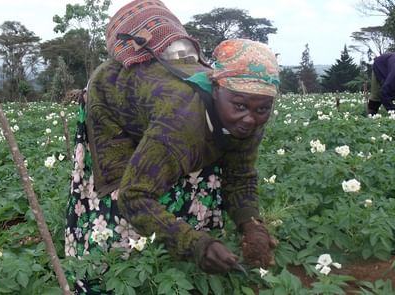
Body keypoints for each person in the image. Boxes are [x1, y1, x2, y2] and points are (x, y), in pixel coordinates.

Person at [65, 0, 279, 293]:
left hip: (172, 118)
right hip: (112, 100)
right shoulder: (180, 121)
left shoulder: (250, 115)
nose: (249, 119)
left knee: (192, 173)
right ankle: (107, 277)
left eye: (262, 109)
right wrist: (194, 244)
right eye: (240, 106)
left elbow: (239, 176)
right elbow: (134, 196)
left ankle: (180, 258)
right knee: (117, 197)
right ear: (216, 90)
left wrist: (251, 224)